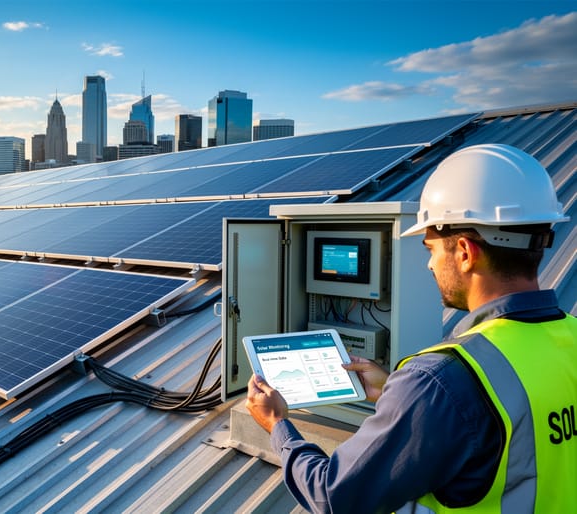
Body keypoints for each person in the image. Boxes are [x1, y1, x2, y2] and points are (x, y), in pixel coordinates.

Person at [246, 144, 576, 513]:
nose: (430, 266)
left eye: (430, 249)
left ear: (465, 252)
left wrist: (277, 424)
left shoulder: (439, 379)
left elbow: (334, 496)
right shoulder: (571, 337)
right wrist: (393, 390)